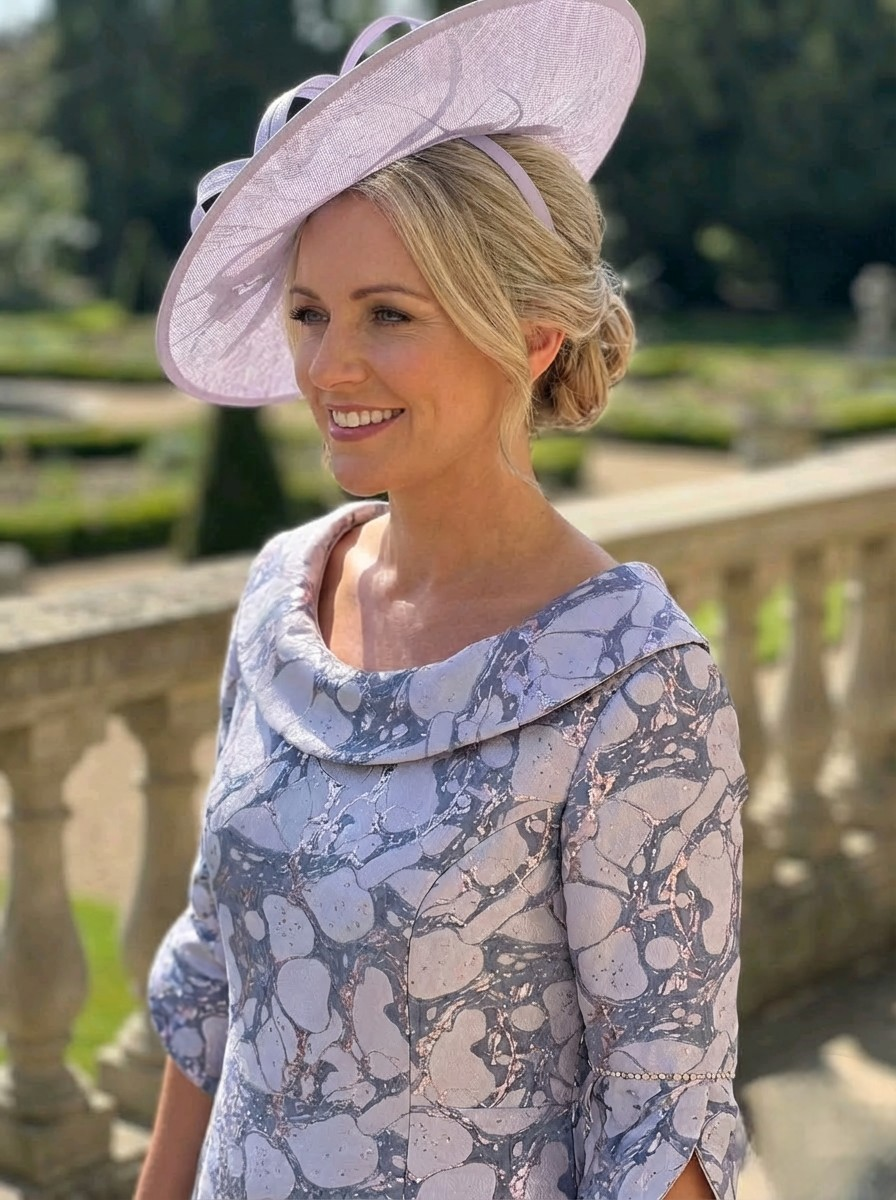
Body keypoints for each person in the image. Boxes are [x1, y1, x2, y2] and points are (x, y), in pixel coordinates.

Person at [137, 1, 748, 1197]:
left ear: (526, 337)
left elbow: (657, 1122)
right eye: (310, 313)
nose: (326, 368)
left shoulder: (634, 684)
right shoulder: (281, 598)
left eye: (387, 316)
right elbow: (212, 976)